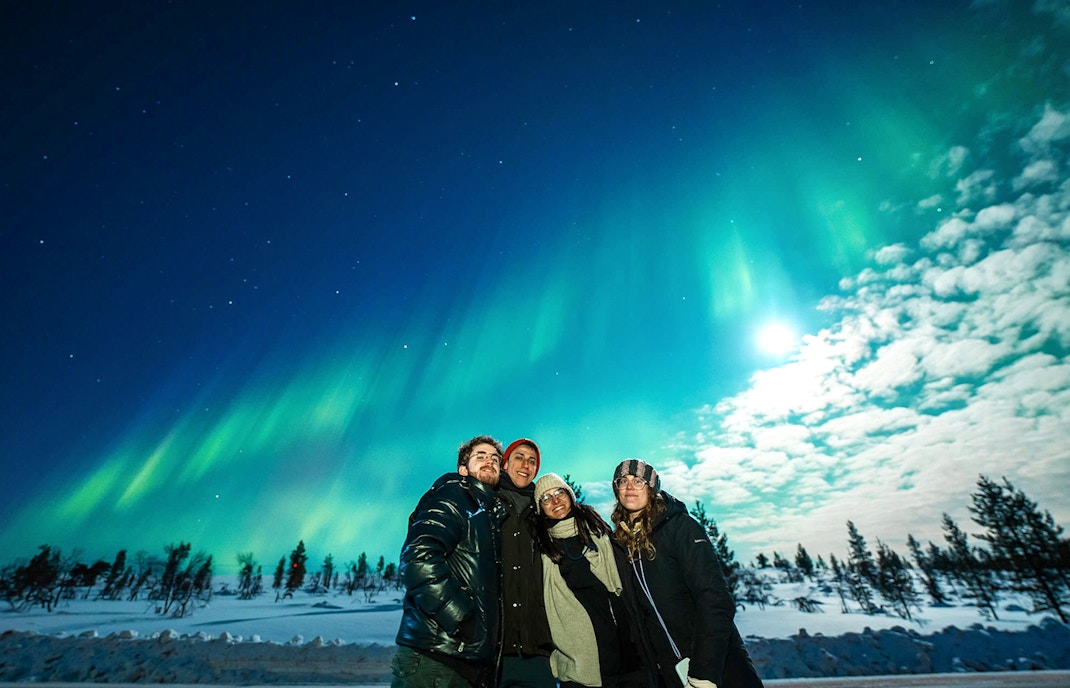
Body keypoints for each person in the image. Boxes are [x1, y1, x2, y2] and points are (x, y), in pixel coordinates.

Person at [610, 459, 764, 688]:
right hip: (671, 674)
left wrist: (704, 672)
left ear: (652, 489)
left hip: (717, 669)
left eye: (639, 481)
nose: (630, 486)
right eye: (623, 481)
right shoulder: (623, 544)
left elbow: (715, 599)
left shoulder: (680, 527)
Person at [391, 435, 507, 688]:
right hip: (435, 656)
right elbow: (418, 556)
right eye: (481, 456)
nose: (490, 461)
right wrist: (460, 618)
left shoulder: (486, 514)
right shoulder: (453, 496)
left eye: (495, 459)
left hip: (464, 660)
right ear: (463, 469)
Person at [534, 472, 639, 688]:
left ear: (570, 496)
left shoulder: (598, 531)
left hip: (628, 650)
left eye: (559, 492)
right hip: (582, 660)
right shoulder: (543, 550)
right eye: (545, 498)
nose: (555, 501)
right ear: (540, 508)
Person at [497, 439, 556, 688]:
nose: (526, 464)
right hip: (495, 646)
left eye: (532, 461)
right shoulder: (486, 502)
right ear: (505, 463)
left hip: (536, 645)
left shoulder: (543, 510)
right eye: (519, 457)